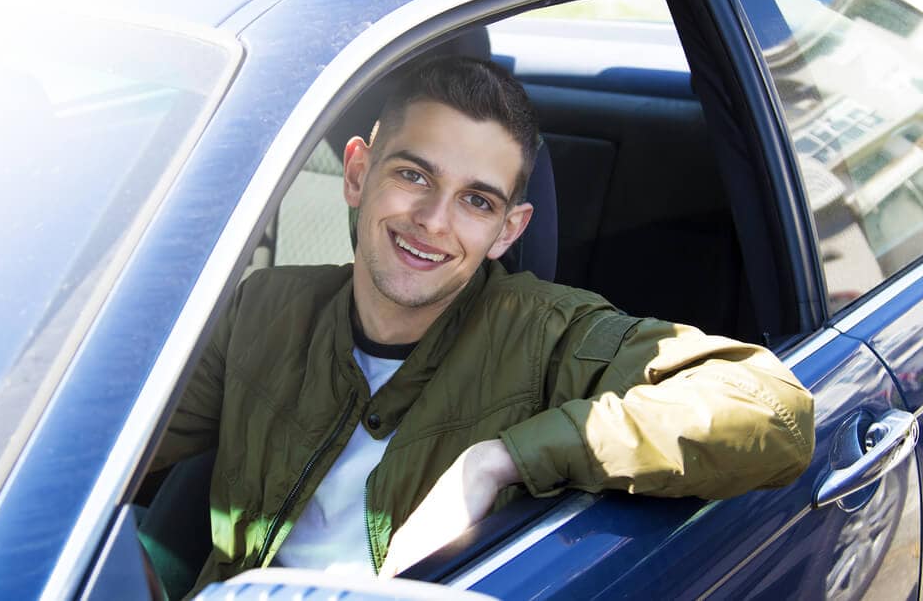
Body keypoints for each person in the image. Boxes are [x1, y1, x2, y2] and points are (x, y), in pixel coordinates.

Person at [151, 55, 814, 596]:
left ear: (508, 230)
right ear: (357, 173)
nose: (434, 222)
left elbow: (775, 411)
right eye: (414, 174)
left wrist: (499, 460)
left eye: (476, 200)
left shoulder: (547, 334)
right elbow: (108, 443)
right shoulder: (263, 307)